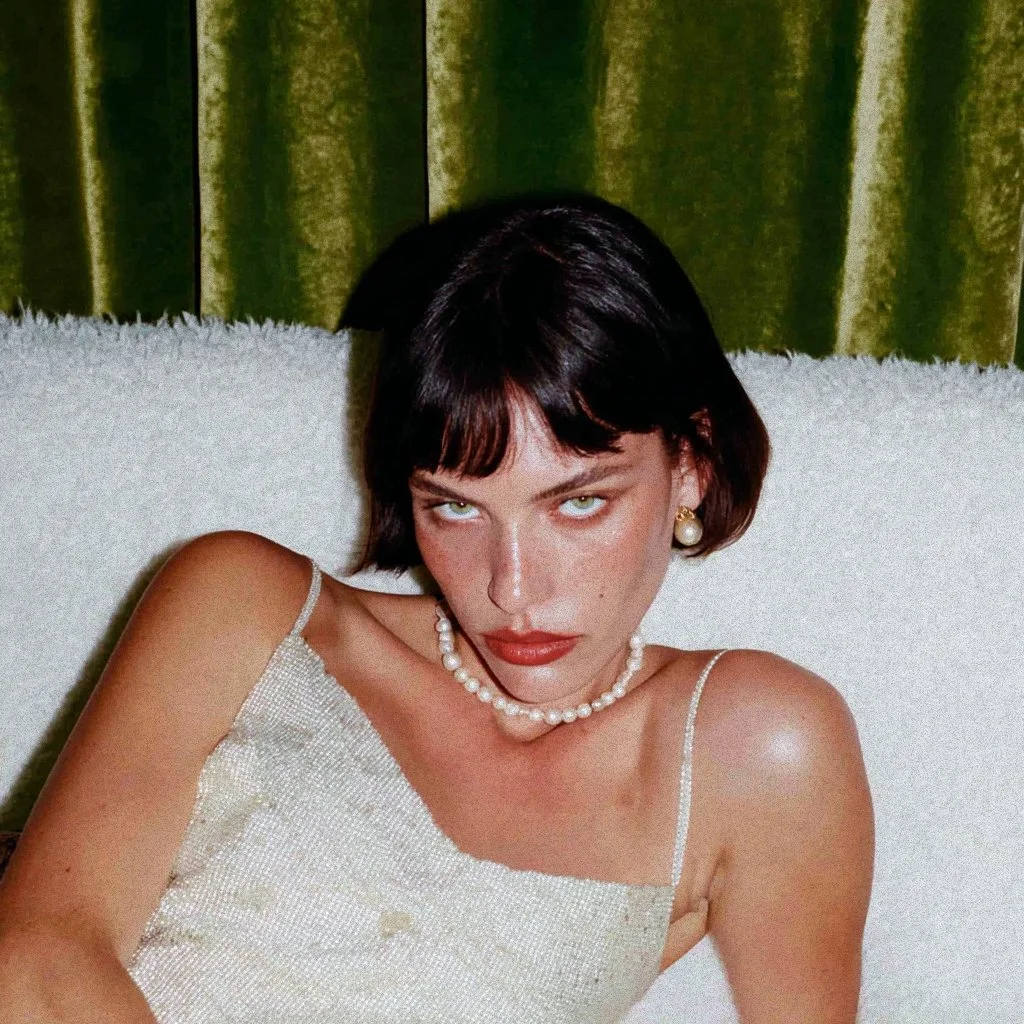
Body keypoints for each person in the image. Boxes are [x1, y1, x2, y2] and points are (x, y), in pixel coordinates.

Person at [0, 193, 874, 1023]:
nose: (512, 588)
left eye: (578, 503)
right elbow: (36, 960)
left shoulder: (756, 748)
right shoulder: (245, 608)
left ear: (692, 463)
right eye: (454, 507)